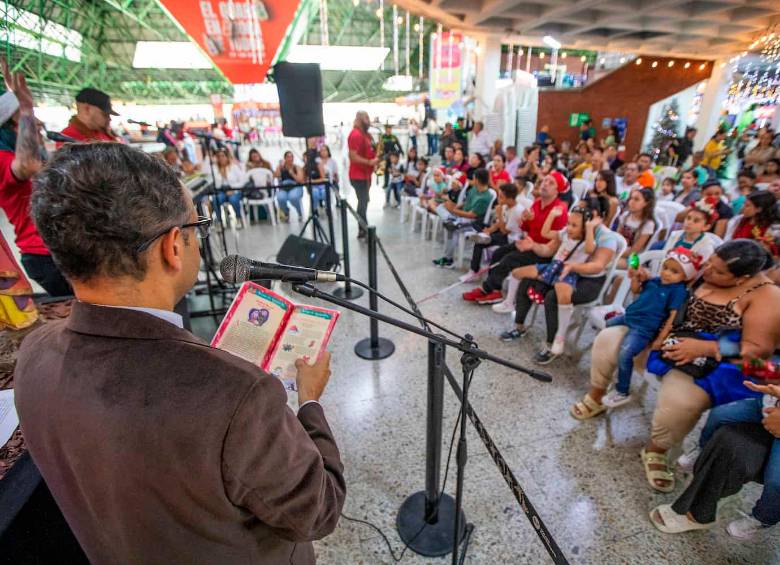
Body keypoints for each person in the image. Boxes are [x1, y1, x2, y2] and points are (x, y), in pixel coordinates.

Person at [17, 142, 345, 563]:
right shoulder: (237, 396)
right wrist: (310, 400)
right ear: (173, 246)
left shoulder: (35, 352)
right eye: (197, 227)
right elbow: (320, 510)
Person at [572, 240, 780, 494]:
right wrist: (646, 282)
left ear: (742, 277)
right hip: (659, 332)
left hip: (707, 362)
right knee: (608, 339)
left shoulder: (766, 295)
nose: (708, 272)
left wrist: (703, 348)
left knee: (682, 402)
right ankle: (596, 395)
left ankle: (657, 448)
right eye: (709, 264)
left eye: (718, 271)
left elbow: (756, 350)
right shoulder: (706, 269)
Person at [651, 381, 780, 537]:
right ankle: (696, 508)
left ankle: (763, 518)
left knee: (775, 480)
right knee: (726, 433)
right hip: (769, 406)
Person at [501, 197, 618, 364]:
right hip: (564, 269)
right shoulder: (571, 228)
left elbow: (596, 266)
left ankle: (552, 344)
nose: (576, 213)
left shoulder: (607, 237)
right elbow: (549, 250)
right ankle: (519, 326)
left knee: (553, 297)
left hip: (589, 281)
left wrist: (571, 267)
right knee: (528, 278)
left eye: (581, 210)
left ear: (593, 215)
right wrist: (533, 245)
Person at [0, 60, 71, 296]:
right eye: (25, 120)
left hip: (56, 250)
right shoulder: (3, 159)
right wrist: (25, 109)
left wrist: (18, 103)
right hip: (44, 255)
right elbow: (28, 164)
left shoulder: (19, 153)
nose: (38, 125)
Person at [600, 247, 700, 408]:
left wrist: (660, 339)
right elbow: (635, 290)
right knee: (607, 325)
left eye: (674, 272)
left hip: (644, 328)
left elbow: (673, 317)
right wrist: (634, 277)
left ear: (685, 276)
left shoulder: (678, 291)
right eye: (665, 268)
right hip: (629, 316)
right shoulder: (654, 281)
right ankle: (613, 368)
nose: (666, 273)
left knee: (626, 353)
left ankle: (622, 390)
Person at [463, 172, 569, 305]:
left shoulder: (559, 211)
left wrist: (531, 242)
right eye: (544, 181)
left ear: (557, 190)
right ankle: (494, 289)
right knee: (498, 253)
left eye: (551, 183)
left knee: (509, 259)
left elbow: (554, 243)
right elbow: (526, 229)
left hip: (542, 252)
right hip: (527, 242)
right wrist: (524, 220)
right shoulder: (537, 203)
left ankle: (487, 289)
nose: (545, 184)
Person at [462, 181, 530, 281]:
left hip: (512, 239)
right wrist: (489, 230)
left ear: (510, 198)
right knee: (480, 240)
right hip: (505, 234)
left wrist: (499, 214)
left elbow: (504, 231)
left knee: (488, 247)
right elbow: (499, 224)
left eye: (501, 197)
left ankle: (486, 276)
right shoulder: (507, 206)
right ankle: (474, 271)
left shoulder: (517, 211)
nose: (498, 199)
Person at [431, 168, 495, 268]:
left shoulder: (485, 197)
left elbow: (472, 215)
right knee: (442, 209)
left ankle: (448, 259)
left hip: (473, 223)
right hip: (463, 216)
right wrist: (457, 207)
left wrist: (455, 211)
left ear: (477, 180)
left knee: (452, 229)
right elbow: (467, 202)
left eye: (473, 179)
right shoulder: (475, 189)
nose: (471, 180)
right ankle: (451, 220)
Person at [348, 111, 378, 238]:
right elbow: (353, 157)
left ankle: (362, 230)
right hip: (358, 175)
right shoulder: (355, 135)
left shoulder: (366, 135)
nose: (369, 120)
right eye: (366, 117)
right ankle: (365, 230)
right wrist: (369, 162)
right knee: (362, 202)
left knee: (364, 202)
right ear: (359, 119)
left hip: (366, 175)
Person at [724, 191, 779, 257]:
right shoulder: (738, 220)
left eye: (747, 206)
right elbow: (727, 241)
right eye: (744, 204)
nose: (742, 208)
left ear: (759, 209)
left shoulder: (774, 230)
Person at [614, 188, 656, 267]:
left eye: (636, 199)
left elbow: (634, 251)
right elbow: (617, 237)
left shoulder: (648, 224)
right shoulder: (625, 215)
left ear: (646, 203)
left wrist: (614, 251)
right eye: (631, 198)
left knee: (607, 262)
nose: (631, 202)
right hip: (619, 250)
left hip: (634, 258)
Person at [208, 149, 245, 225]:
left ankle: (238, 218)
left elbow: (242, 181)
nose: (221, 158)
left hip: (235, 189)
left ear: (227, 157)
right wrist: (220, 173)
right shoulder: (215, 168)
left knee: (233, 199)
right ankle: (219, 221)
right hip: (222, 190)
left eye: (223, 156)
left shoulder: (234, 167)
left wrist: (233, 190)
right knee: (216, 199)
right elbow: (217, 185)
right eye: (219, 156)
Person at [275, 150, 305, 222]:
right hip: (284, 187)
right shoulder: (281, 167)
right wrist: (279, 167)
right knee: (280, 198)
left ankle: (299, 212)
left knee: (293, 197)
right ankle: (286, 212)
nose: (290, 159)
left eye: (291, 157)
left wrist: (292, 174)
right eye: (288, 157)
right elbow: (276, 176)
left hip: (295, 186)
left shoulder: (297, 167)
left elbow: (300, 180)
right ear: (285, 158)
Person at [380, 124, 403, 189]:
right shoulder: (382, 137)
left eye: (390, 129)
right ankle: (386, 183)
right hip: (386, 156)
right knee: (386, 170)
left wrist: (400, 152)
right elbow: (380, 147)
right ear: (385, 129)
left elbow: (398, 146)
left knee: (394, 170)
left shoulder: (394, 137)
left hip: (393, 156)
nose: (389, 130)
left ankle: (395, 183)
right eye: (388, 129)